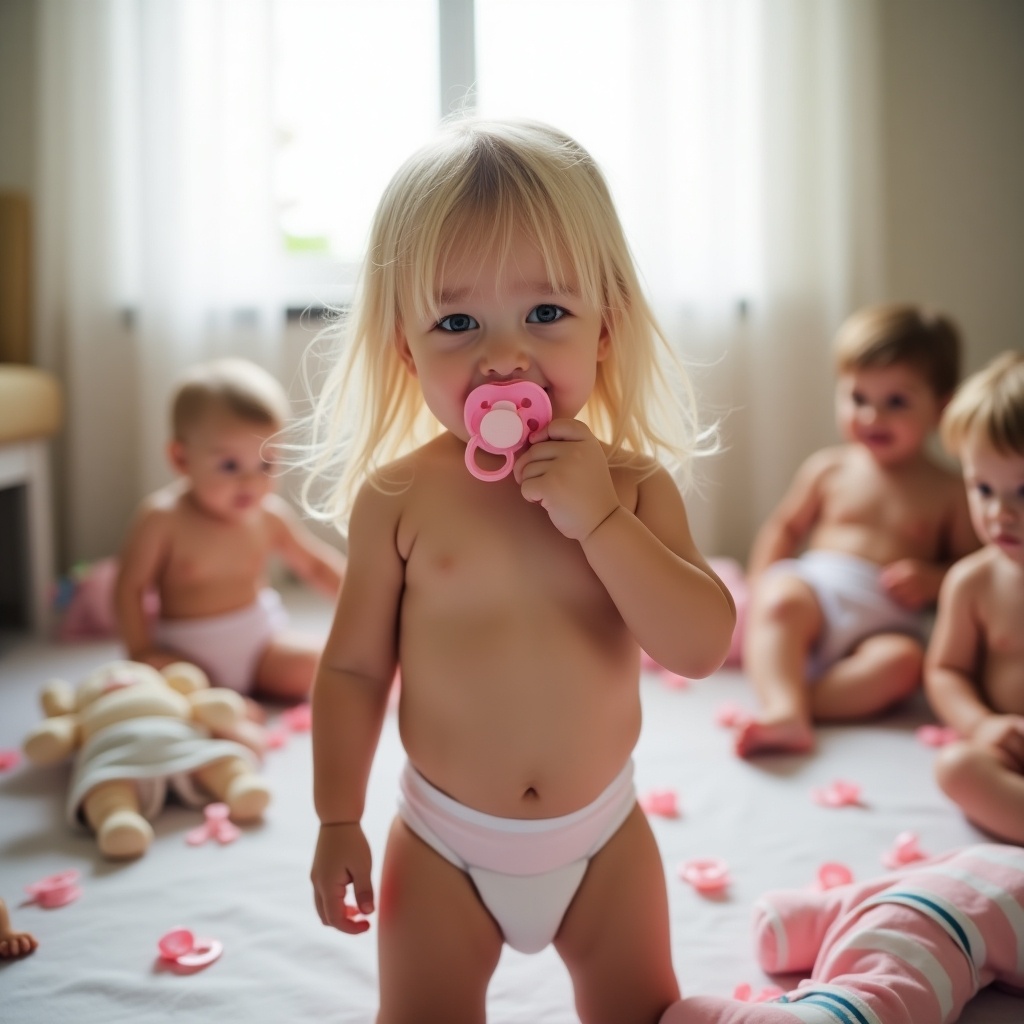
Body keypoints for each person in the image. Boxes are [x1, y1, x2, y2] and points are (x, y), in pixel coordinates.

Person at [304, 117, 736, 1024]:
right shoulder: (399, 498)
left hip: (603, 843)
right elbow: (349, 668)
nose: (504, 356)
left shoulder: (632, 485)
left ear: (605, 329)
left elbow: (699, 647)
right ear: (404, 349)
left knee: (643, 1014)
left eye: (546, 313)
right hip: (444, 848)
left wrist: (604, 523)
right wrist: (336, 817)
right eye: (457, 322)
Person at [736, 304, 977, 757]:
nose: (871, 416)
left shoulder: (950, 490)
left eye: (896, 402)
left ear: (941, 408)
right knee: (781, 598)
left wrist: (933, 580)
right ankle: (784, 704)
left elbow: (970, 570)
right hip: (818, 594)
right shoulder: (830, 468)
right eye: (858, 398)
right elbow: (786, 528)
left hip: (885, 618)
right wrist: (759, 582)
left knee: (905, 664)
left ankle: (797, 707)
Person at [115, 358, 346, 711]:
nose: (250, 482)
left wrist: (363, 602)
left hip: (261, 646)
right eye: (229, 466)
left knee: (324, 665)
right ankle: (215, 705)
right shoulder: (163, 519)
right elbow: (129, 589)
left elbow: (315, 566)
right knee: (164, 689)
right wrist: (141, 652)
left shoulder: (268, 516)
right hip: (187, 655)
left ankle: (245, 693)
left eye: (266, 464)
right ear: (181, 459)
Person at [659, 843, 1024, 1024]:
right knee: (897, 979)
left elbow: (882, 886)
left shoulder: (986, 854)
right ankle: (832, 1012)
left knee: (879, 930)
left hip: (913, 904)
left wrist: (802, 916)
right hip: (940, 924)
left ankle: (797, 929)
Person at [925, 351, 1024, 844]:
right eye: (982, 488)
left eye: (1022, 492)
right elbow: (946, 671)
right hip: (1009, 753)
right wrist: (982, 724)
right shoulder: (972, 582)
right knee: (957, 768)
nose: (1000, 513)